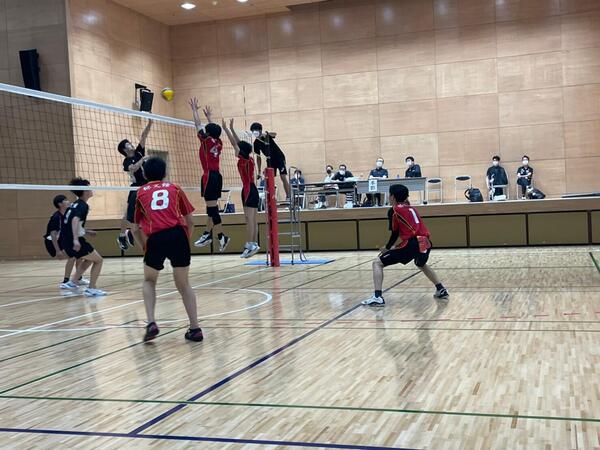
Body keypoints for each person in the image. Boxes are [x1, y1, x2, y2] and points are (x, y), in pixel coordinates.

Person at [133, 157, 203, 342]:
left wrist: (144, 246)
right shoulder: (175, 188)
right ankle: (195, 329)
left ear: (144, 174)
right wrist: (185, 241)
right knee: (184, 284)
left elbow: (134, 228)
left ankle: (151, 322)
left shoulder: (140, 192)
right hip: (178, 235)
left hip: (155, 238)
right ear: (165, 173)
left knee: (149, 280)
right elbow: (191, 221)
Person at [362, 184, 448, 306]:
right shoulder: (411, 208)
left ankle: (377, 297)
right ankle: (441, 289)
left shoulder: (394, 211)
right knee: (420, 263)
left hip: (412, 243)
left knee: (377, 263)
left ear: (392, 197)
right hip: (425, 242)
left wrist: (387, 247)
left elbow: (395, 233)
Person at [189, 99, 230, 252]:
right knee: (211, 208)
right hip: (217, 176)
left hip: (209, 177)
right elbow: (214, 131)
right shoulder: (219, 142)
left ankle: (221, 236)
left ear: (208, 133)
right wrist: (209, 118)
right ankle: (207, 233)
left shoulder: (206, 141)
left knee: (212, 210)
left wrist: (194, 110)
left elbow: (197, 124)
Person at [60, 178, 106, 297]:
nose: (91, 190)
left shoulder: (74, 205)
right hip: (73, 240)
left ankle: (73, 282)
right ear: (84, 191)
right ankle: (91, 288)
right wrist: (76, 240)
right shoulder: (82, 206)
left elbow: (71, 223)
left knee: (90, 259)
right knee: (99, 260)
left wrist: (86, 232)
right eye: (89, 188)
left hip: (66, 239)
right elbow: (75, 220)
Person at [222, 118, 260, 258]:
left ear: (241, 151)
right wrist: (232, 128)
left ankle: (249, 245)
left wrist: (226, 129)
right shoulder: (248, 158)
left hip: (249, 189)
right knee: (252, 219)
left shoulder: (244, 160)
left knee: (249, 219)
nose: (235, 149)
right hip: (252, 189)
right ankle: (253, 244)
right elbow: (238, 143)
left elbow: (234, 143)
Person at [117, 119, 153, 251]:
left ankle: (131, 232)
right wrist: (143, 160)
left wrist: (150, 123)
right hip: (136, 187)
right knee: (128, 214)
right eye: (127, 144)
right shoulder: (126, 161)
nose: (130, 144)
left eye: (130, 142)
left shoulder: (138, 152)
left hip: (146, 186)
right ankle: (122, 235)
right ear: (124, 149)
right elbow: (132, 169)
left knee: (146, 212)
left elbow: (143, 136)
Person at [44, 194, 89, 289]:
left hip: (64, 239)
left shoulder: (69, 214)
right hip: (52, 242)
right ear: (60, 204)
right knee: (72, 257)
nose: (68, 201)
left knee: (79, 256)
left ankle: (78, 278)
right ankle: (66, 281)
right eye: (66, 200)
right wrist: (58, 250)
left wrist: (87, 232)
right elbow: (53, 234)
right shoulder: (56, 217)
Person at [250, 122, 291, 200]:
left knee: (283, 177)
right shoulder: (256, 143)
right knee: (270, 179)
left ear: (260, 130)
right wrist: (259, 171)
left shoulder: (266, 136)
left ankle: (289, 197)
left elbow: (274, 134)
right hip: (270, 160)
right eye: (253, 131)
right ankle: (272, 198)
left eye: (255, 130)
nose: (254, 132)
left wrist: (266, 133)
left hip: (279, 157)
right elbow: (258, 157)